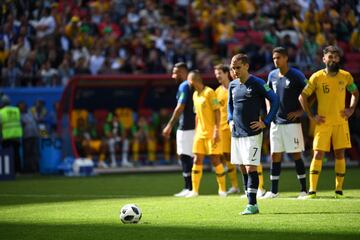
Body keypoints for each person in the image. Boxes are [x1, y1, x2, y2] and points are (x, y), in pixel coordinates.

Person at [299, 45, 359, 199]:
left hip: (341, 122)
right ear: (324, 59)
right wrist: (312, 116)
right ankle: (312, 191)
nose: (333, 59)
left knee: (340, 154)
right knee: (317, 154)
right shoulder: (316, 77)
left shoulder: (346, 76)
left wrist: (351, 109)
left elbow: (355, 93)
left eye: (335, 57)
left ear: (339, 59)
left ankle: (338, 190)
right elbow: (303, 97)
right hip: (323, 123)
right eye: (330, 57)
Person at [228, 53, 279, 215]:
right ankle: (249, 199)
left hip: (252, 133)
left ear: (246, 66)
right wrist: (230, 120)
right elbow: (230, 106)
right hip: (236, 133)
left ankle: (252, 204)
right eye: (233, 68)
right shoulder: (233, 85)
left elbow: (275, 100)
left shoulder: (258, 83)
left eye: (238, 67)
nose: (235, 71)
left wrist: (265, 121)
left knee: (251, 167)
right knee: (242, 168)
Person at [262, 47, 308, 199]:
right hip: (276, 123)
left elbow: (311, 93)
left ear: (286, 58)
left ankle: (304, 190)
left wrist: (301, 112)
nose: (276, 60)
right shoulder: (272, 75)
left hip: (292, 123)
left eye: (279, 57)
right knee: (275, 155)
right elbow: (267, 94)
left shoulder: (296, 75)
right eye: (274, 58)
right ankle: (274, 191)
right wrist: (270, 111)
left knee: (295, 154)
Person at [185, 70, 227, 198]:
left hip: (211, 133)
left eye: (189, 81)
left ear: (194, 81)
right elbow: (197, 115)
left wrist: (216, 130)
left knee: (215, 160)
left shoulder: (210, 92)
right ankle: (195, 191)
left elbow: (217, 112)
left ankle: (222, 189)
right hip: (200, 134)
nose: (188, 84)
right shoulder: (194, 95)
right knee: (197, 160)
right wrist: (196, 131)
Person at [163, 62, 195, 197]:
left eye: (175, 72)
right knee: (187, 157)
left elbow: (180, 107)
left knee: (185, 157)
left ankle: (189, 188)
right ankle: (190, 187)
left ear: (182, 72)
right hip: (190, 127)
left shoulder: (184, 86)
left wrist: (170, 124)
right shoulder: (190, 86)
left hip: (186, 127)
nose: (172, 76)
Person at [214, 64, 240, 194]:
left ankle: (256, 186)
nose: (217, 76)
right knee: (227, 156)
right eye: (216, 74)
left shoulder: (235, 86)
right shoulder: (216, 92)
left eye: (219, 73)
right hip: (223, 128)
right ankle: (235, 186)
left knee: (241, 155)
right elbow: (215, 111)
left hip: (236, 126)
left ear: (226, 73)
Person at [0, 95, 23, 173]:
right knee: (16, 154)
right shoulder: (16, 110)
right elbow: (20, 122)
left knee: (6, 154)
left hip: (6, 136)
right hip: (16, 135)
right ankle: (18, 171)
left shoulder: (1, 112)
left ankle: (8, 171)